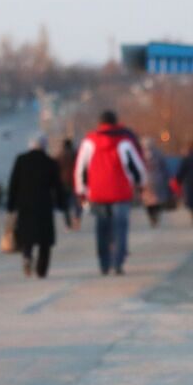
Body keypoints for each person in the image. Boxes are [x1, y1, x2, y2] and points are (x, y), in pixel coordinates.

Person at [74, 110, 146, 275]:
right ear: (116, 123)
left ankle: (104, 263)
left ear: (100, 124)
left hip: (97, 193)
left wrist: (81, 190)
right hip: (121, 192)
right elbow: (138, 166)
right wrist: (141, 184)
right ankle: (118, 262)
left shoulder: (89, 142)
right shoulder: (124, 142)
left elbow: (80, 168)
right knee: (120, 228)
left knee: (102, 228)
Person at [5, 134, 67, 278]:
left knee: (27, 235)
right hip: (44, 205)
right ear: (45, 146)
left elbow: (13, 184)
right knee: (45, 240)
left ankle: (27, 256)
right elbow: (57, 186)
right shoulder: (50, 162)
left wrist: (11, 205)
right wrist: (61, 204)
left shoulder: (21, 160)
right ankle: (41, 270)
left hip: (25, 205)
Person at [141, 141, 174, 228]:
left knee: (148, 201)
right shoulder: (158, 154)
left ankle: (151, 216)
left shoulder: (140, 154)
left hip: (146, 181)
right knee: (157, 199)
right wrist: (167, 178)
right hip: (158, 180)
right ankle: (156, 214)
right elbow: (165, 167)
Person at [56, 138, 81, 230]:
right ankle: (77, 218)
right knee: (77, 202)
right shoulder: (76, 154)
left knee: (65, 205)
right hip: (75, 182)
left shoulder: (60, 156)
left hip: (64, 182)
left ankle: (68, 224)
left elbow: (55, 169)